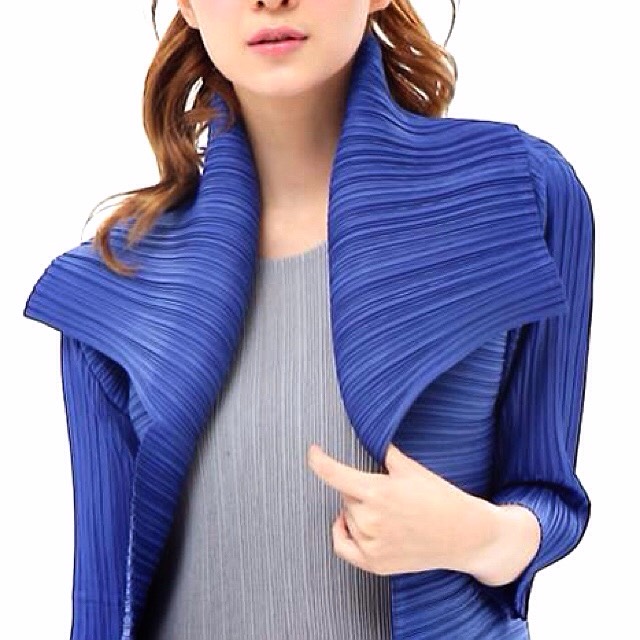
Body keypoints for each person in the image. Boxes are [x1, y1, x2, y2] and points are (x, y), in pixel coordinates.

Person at [23, 1, 595, 639]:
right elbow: (102, 612)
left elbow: (550, 495)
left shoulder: (517, 197)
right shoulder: (112, 285)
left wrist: (475, 536)